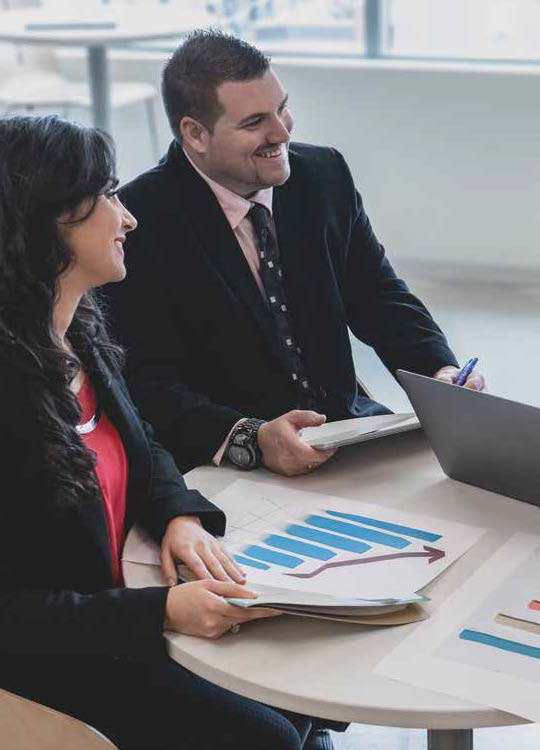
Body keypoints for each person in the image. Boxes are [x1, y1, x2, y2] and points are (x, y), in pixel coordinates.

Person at [0, 114, 322, 750]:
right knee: (272, 736)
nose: (129, 218)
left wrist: (178, 515)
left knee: (303, 707)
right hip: (56, 663)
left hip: (118, 622)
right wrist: (162, 611)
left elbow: (142, 444)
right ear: (51, 220)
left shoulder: (78, 337)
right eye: (110, 196)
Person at [104, 30, 485, 482]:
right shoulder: (136, 221)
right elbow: (147, 383)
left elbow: (378, 297)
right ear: (195, 134)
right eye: (255, 122)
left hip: (347, 429)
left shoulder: (323, 176)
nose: (282, 132)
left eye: (283, 108)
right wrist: (251, 438)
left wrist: (439, 373)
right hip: (230, 460)